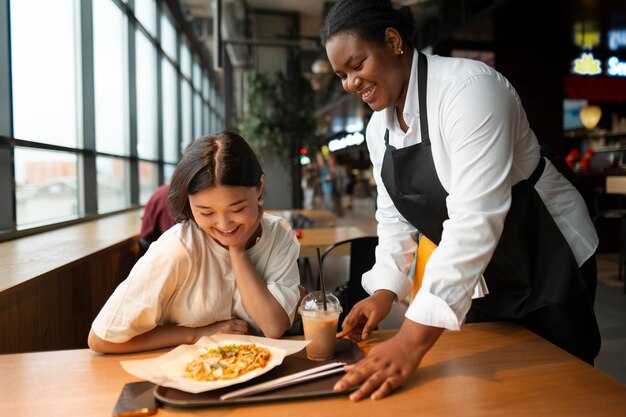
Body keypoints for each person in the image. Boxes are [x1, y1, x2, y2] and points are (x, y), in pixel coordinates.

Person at [320, 0, 601, 401]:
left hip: (548, 253)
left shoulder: (470, 90)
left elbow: (475, 218)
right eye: (341, 75)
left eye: (357, 64)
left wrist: (412, 340)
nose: (350, 83)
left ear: (393, 41)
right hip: (485, 274)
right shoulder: (376, 129)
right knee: (493, 390)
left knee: (564, 388)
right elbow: (395, 219)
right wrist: (383, 291)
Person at [88, 131, 303, 353]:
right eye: (206, 212)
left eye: (237, 209)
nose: (224, 224)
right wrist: (198, 334)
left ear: (259, 186)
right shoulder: (176, 248)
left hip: (257, 373)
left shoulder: (278, 234)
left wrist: (237, 250)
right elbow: (101, 338)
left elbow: (273, 326)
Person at [139, 183, 176, 255]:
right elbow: (172, 237)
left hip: (146, 239)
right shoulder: (173, 197)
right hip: (152, 246)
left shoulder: (165, 189)